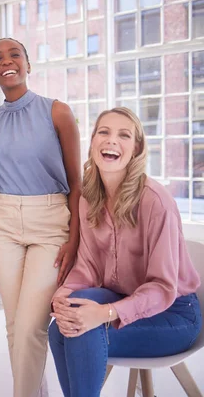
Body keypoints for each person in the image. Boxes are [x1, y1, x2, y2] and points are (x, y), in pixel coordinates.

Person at [48, 107, 202, 397]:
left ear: (137, 148)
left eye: (124, 135)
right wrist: (63, 296)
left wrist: (106, 313)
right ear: (92, 141)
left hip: (174, 315)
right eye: (104, 132)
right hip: (124, 298)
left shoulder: (156, 202)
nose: (111, 141)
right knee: (61, 326)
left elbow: (162, 287)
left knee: (86, 329)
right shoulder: (89, 198)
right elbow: (88, 267)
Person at [0, 37, 82, 397]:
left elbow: (77, 182)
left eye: (14, 55)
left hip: (51, 222)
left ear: (27, 64)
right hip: (0, 222)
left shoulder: (58, 111)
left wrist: (75, 238)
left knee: (29, 326)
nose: (6, 62)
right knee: (15, 325)